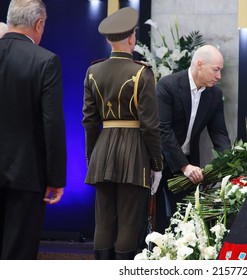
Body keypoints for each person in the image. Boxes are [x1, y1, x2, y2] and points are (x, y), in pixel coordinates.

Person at [82, 7, 163, 260]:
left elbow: (89, 121)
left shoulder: (93, 71)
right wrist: (157, 163)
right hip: (134, 154)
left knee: (103, 223)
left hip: (102, 152)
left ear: (108, 39)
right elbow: (150, 125)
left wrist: (91, 156)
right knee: (130, 222)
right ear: (132, 38)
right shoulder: (142, 72)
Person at [0, 0, 66, 260]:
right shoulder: (46, 61)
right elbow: (51, 122)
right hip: (26, 176)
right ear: (39, 24)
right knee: (18, 256)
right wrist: (56, 178)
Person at [155, 44, 231, 233]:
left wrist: (228, 164)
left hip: (188, 164)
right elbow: (163, 130)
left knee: (185, 218)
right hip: (159, 161)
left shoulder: (214, 94)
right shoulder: (168, 85)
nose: (219, 76)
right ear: (199, 64)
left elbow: (219, 133)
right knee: (154, 221)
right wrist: (184, 166)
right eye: (216, 70)